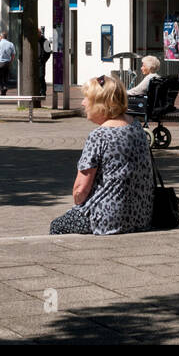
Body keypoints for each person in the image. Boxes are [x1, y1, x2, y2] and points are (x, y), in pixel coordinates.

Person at [49, 74, 154, 235]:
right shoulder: (136, 126)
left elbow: (80, 190)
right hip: (142, 216)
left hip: (108, 218)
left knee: (57, 225)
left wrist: (78, 206)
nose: (83, 103)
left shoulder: (100, 136)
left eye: (87, 99)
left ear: (101, 104)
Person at [39, 26, 53, 95]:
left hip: (41, 61)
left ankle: (43, 90)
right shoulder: (34, 40)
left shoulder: (45, 41)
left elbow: (48, 52)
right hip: (35, 62)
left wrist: (44, 60)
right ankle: (38, 90)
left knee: (41, 76)